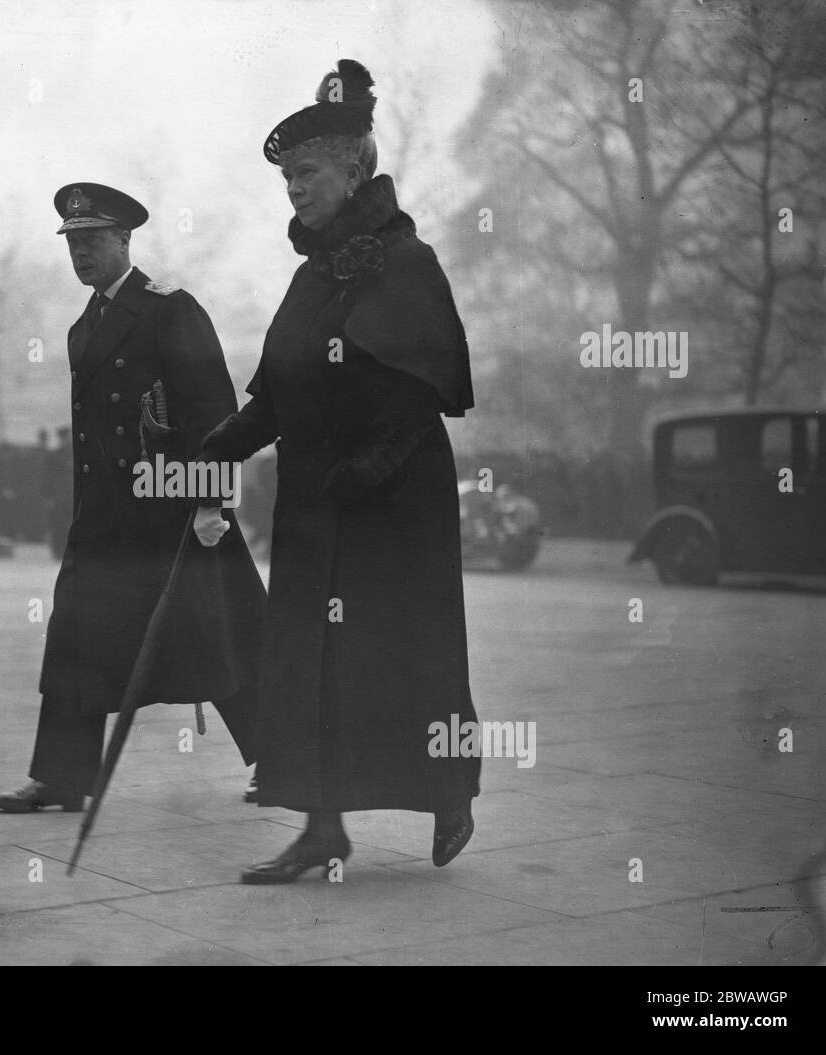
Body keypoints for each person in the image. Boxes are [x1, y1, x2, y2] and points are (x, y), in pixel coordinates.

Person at [197, 60, 481, 883]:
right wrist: (215, 445)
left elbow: (419, 393)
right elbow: (277, 394)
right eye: (286, 178)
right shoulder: (311, 275)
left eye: (308, 172)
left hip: (395, 507)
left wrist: (365, 474)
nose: (294, 189)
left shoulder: (406, 260)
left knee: (403, 656)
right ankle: (323, 828)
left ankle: (448, 792)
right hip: (318, 504)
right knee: (310, 660)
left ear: (356, 168)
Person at [0, 182, 266, 813]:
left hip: (175, 513)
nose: (81, 254)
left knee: (219, 636)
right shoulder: (82, 329)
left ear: (125, 240)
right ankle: (60, 776)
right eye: (73, 243)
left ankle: (277, 757)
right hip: (105, 522)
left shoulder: (171, 309)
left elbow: (214, 410)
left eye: (92, 241)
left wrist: (211, 503)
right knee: (74, 642)